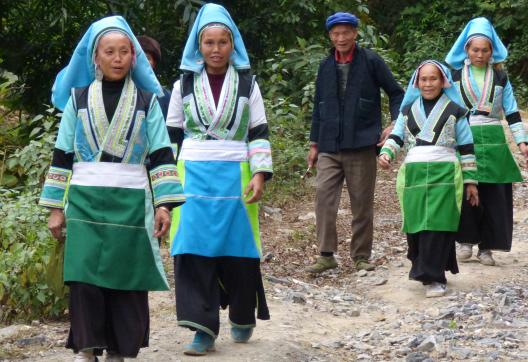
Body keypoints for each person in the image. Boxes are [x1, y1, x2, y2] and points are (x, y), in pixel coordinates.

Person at [39, 16, 184, 361]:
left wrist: (164, 206)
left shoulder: (147, 102)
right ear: (96, 58)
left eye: (124, 52)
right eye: (109, 52)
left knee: (128, 280)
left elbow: (162, 154)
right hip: (85, 202)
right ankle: (88, 347)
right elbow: (62, 154)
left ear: (133, 57)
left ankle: (120, 350)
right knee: (84, 279)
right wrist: (56, 208)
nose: (117, 58)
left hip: (132, 201)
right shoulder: (77, 99)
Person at [166, 3, 272, 356]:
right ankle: (201, 329)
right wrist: (164, 184)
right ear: (199, 46)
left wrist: (259, 173)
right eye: (208, 42)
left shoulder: (247, 83)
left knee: (238, 250)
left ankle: (242, 315)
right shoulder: (182, 85)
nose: (215, 49)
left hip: (235, 175)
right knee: (192, 249)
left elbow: (258, 131)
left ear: (233, 44)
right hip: (191, 175)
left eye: (222, 42)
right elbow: (171, 136)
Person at [306, 12, 404, 274]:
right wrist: (314, 143)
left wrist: (395, 123)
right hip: (329, 145)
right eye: (335, 33)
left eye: (345, 32)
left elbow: (396, 93)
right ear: (330, 36)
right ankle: (326, 255)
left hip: (361, 144)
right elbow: (319, 106)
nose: (341, 38)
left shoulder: (371, 61)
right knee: (324, 199)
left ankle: (361, 256)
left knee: (361, 203)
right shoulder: (326, 65)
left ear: (355, 33)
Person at [379, 60, 479, 297]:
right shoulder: (407, 111)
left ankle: (435, 277)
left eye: (433, 78)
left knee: (438, 224)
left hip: (444, 173)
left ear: (443, 81)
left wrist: (471, 181)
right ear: (416, 82)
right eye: (423, 79)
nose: (428, 83)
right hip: (413, 175)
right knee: (417, 225)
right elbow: (396, 137)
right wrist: (386, 154)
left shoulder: (456, 111)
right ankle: (426, 268)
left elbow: (466, 146)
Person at [445, 17, 528, 266]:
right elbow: (447, 109)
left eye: (485, 50)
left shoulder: (501, 77)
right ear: (466, 50)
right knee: (465, 191)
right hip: (465, 138)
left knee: (494, 194)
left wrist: (522, 142)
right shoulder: (455, 76)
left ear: (492, 51)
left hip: (494, 141)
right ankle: (465, 242)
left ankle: (487, 248)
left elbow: (512, 111)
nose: (479, 54)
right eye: (475, 50)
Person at [137, 35, 172, 120]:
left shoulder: (165, 96)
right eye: (139, 57)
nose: (142, 62)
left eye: (147, 58)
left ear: (154, 63)